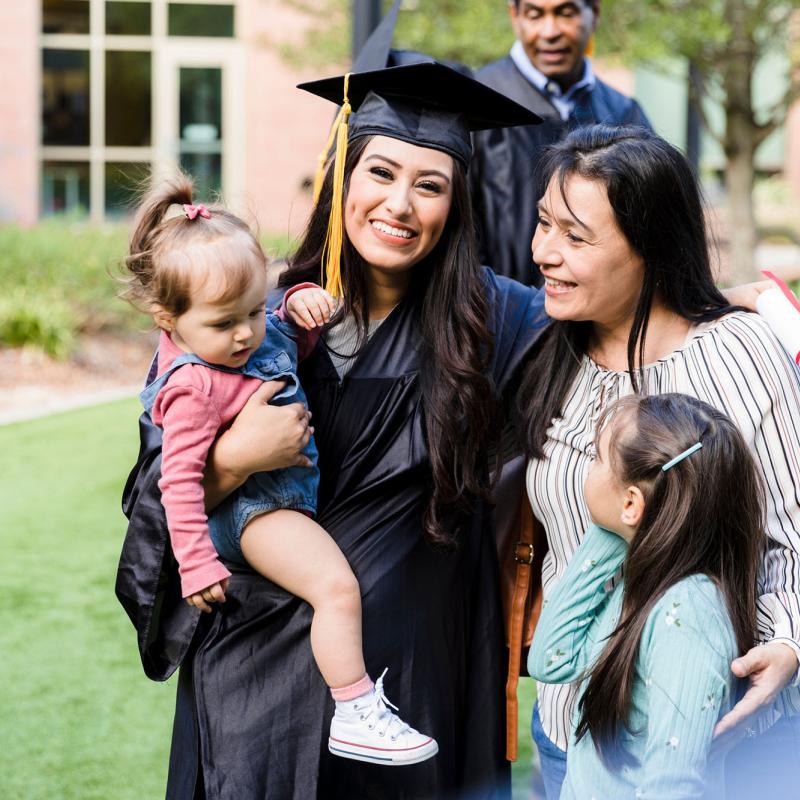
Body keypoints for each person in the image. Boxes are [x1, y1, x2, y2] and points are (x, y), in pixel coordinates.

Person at [116, 61, 548, 798]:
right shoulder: (253, 314)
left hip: (410, 678)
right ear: (343, 176)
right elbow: (153, 504)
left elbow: (625, 350)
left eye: (430, 185)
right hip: (256, 683)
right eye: (380, 172)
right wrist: (233, 459)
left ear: (456, 205)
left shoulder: (498, 322)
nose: (399, 204)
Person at [516, 123, 800, 799]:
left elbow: (792, 529)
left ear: (650, 246)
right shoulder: (547, 355)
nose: (545, 252)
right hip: (573, 735)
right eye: (544, 224)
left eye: (575, 236)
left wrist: (788, 640)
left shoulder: (738, 353)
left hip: (716, 736)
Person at [119, 175, 439, 766]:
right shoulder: (191, 387)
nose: (245, 333)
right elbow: (177, 485)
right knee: (336, 588)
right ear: (169, 319)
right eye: (224, 323)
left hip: (274, 503)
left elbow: (285, 337)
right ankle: (356, 710)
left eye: (252, 311)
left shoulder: (244, 334)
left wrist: (295, 306)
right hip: (253, 512)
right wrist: (196, 563)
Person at [529, 392, 764, 798]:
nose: (588, 466)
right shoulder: (643, 581)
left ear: (632, 502)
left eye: (597, 458)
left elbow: (673, 787)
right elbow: (551, 659)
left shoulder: (687, 617)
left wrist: (624, 520)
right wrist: (615, 531)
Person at [471, 0, 650, 286]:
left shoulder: (623, 114)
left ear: (594, 14)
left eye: (566, 13)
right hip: (496, 307)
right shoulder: (476, 103)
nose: (550, 31)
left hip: (597, 310)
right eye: (534, 15)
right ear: (515, 16)